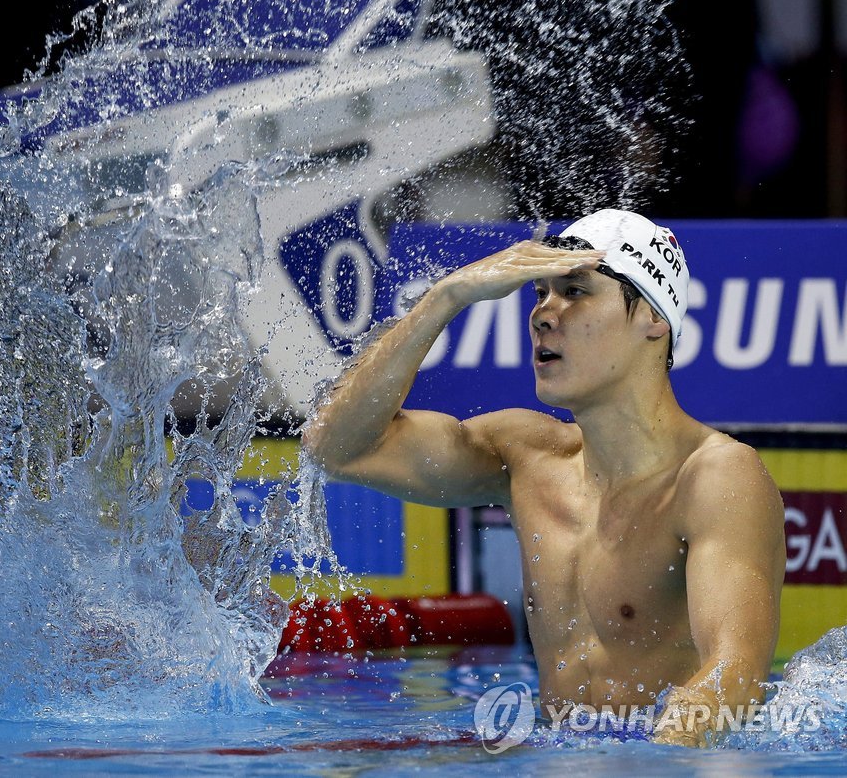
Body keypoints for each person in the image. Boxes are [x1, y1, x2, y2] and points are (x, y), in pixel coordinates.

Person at [302, 208, 786, 747]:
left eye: (575, 291)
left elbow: (735, 677)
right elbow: (335, 447)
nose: (542, 315)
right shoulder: (526, 456)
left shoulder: (715, 478)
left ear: (653, 316)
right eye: (539, 294)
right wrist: (448, 296)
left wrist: (656, 763)